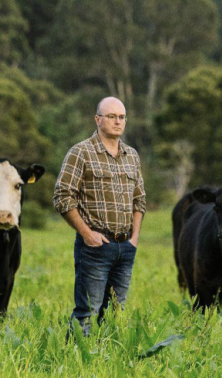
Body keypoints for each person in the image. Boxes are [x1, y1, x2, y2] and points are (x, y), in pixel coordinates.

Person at [53, 96, 146, 335]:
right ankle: (76, 362)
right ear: (97, 119)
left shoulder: (131, 155)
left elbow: (139, 200)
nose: (118, 122)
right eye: (111, 116)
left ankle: (107, 363)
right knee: (87, 311)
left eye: (122, 117)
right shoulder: (81, 152)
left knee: (115, 313)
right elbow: (63, 197)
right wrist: (86, 234)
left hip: (125, 246)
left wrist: (134, 238)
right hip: (95, 247)